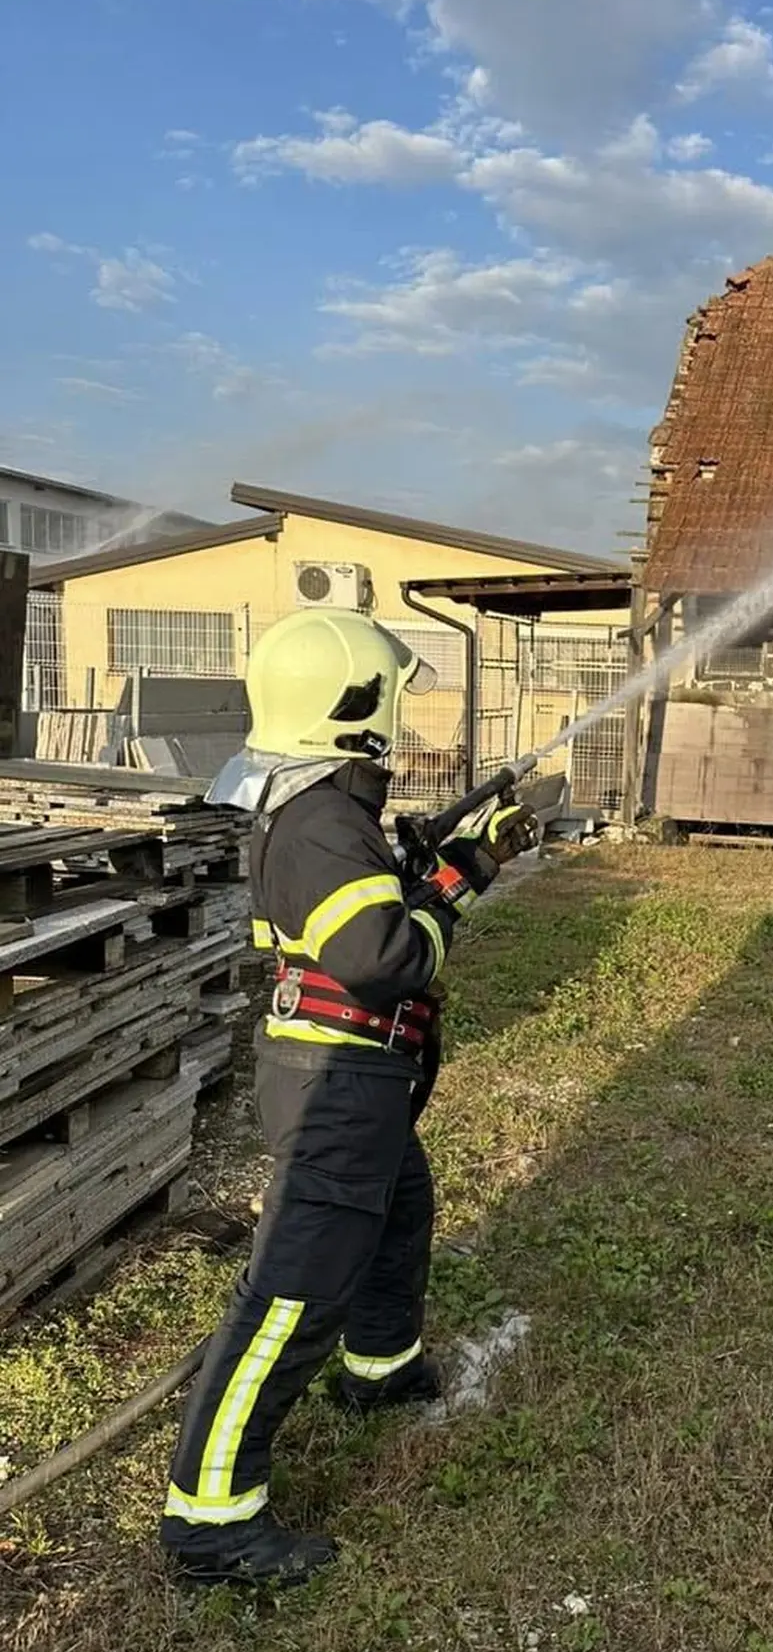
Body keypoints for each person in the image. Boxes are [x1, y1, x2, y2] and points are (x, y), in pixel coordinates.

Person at [159, 608, 538, 1587]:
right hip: (340, 1080)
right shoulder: (325, 823)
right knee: (290, 1293)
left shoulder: (323, 813)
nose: (403, 720)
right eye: (393, 700)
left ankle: (381, 1368)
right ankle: (210, 1516)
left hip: (342, 1074)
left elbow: (372, 912)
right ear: (354, 707)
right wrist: (467, 879)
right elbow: (381, 957)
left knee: (399, 1208)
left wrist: (445, 860)